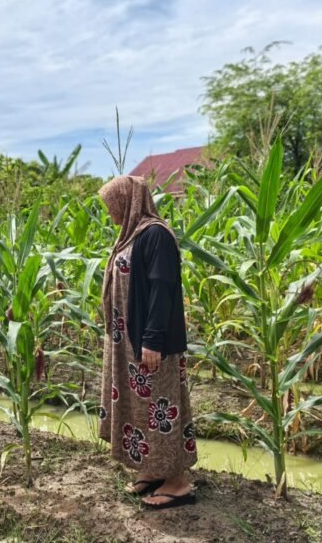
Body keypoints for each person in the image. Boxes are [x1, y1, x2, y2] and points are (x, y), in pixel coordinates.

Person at [98, 176, 197, 510]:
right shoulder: (132, 236)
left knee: (160, 409)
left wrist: (152, 340)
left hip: (150, 344)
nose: (109, 210)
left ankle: (178, 482)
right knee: (142, 410)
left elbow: (162, 288)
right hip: (128, 344)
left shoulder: (156, 235)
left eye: (112, 203)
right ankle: (153, 470)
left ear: (128, 201)